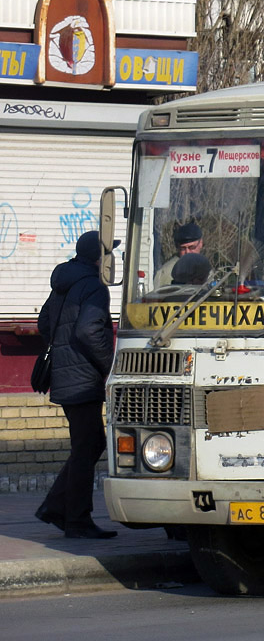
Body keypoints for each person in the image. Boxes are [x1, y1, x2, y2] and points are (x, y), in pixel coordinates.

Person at [35, 231, 119, 539]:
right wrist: (110, 366)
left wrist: (62, 352)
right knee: (88, 446)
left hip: (65, 375)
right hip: (83, 379)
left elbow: (45, 322)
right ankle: (76, 519)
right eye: (108, 254)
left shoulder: (64, 282)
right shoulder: (94, 285)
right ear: (98, 258)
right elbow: (87, 330)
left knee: (90, 443)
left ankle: (57, 508)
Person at [153, 221, 203, 288]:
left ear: (200, 244)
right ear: (178, 247)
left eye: (192, 247)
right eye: (183, 248)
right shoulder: (166, 273)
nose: (187, 252)